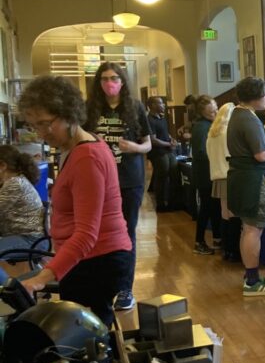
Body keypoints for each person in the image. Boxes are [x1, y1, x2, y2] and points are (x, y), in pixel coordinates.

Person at [17, 76, 132, 327]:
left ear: (68, 112)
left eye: (46, 123)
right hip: (92, 258)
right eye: (35, 126)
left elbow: (86, 235)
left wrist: (42, 278)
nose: (42, 133)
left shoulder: (86, 157)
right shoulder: (77, 147)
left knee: (83, 343)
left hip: (97, 260)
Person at [85, 62, 151, 312]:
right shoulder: (89, 108)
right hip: (95, 180)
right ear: (98, 82)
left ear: (122, 81)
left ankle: (125, 288)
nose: (109, 82)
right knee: (95, 232)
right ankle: (102, 284)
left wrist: (132, 147)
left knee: (126, 233)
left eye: (114, 78)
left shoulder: (134, 107)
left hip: (128, 181)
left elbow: (147, 145)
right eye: (104, 78)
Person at [227, 77, 265, 297]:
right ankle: (252, 281)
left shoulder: (240, 114)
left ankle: (250, 275)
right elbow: (261, 155)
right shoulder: (248, 119)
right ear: (255, 96)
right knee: (253, 229)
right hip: (255, 180)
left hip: (244, 178)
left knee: (248, 227)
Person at [0, 145, 45, 268]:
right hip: (30, 237)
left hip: (29, 240)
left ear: (3, 166)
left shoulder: (14, 184)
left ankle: (12, 287)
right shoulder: (16, 180)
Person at [206, 101, 238, 261]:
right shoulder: (228, 133)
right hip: (229, 176)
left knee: (224, 215)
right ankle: (233, 250)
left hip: (217, 177)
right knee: (233, 216)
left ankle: (226, 249)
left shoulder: (212, 134)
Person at [191, 95, 221, 255]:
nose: (215, 114)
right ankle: (199, 242)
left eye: (216, 110)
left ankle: (217, 238)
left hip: (210, 173)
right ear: (203, 112)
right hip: (205, 174)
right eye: (211, 112)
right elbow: (201, 152)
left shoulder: (209, 124)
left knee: (214, 207)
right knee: (206, 208)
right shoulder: (202, 127)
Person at [146, 96, 176, 212]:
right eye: (160, 103)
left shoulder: (162, 118)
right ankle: (160, 204)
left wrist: (171, 139)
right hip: (158, 152)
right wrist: (168, 144)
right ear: (152, 105)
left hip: (168, 150)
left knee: (173, 173)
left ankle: (172, 202)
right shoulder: (149, 120)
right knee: (161, 176)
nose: (163, 105)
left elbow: (165, 133)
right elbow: (153, 139)